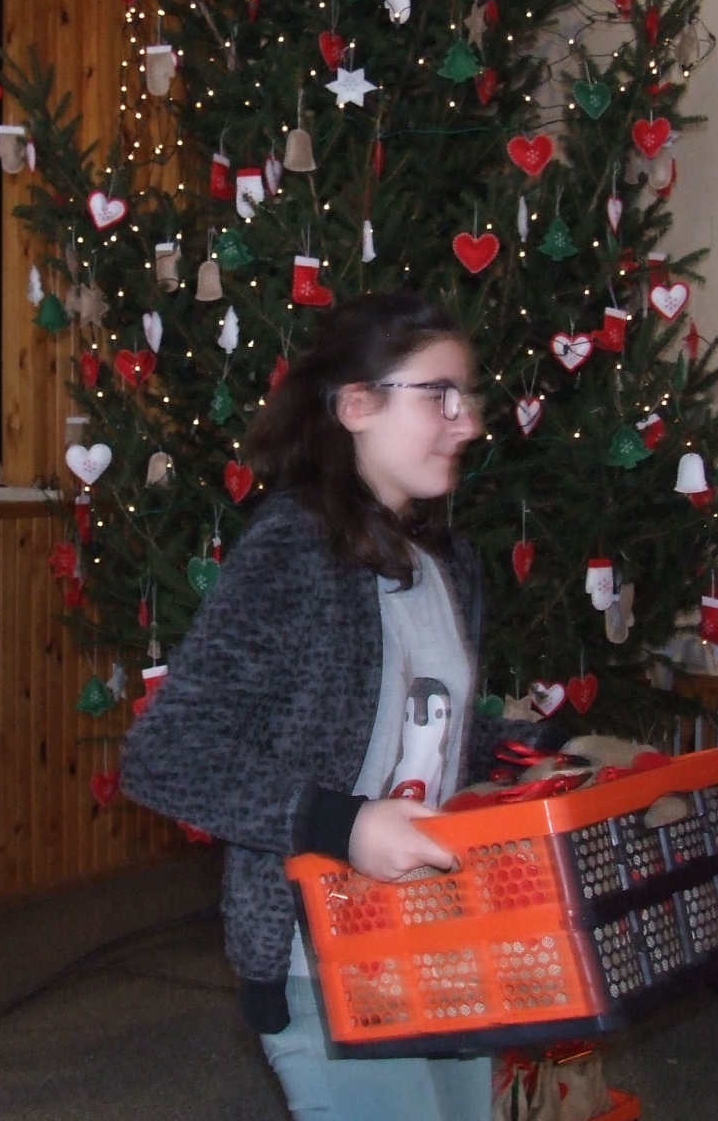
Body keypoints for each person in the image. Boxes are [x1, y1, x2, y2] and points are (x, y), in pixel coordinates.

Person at [122, 292, 530, 1121]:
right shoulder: (293, 550)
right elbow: (165, 753)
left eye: (468, 396)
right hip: (323, 955)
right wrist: (344, 826)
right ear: (357, 407)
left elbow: (416, 727)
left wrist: (535, 749)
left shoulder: (449, 561)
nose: (468, 422)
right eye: (439, 395)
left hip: (440, 935)